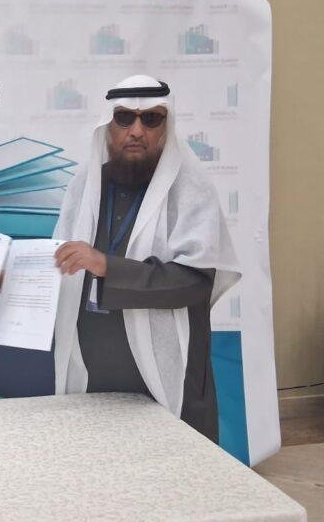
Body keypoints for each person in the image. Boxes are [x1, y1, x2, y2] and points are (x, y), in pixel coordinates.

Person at [51, 74, 240, 441]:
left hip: (163, 367)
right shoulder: (85, 185)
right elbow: (60, 262)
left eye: (151, 119)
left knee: (173, 463)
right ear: (108, 125)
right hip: (92, 365)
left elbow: (194, 283)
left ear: (166, 127)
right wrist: (14, 280)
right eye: (124, 118)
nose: (136, 131)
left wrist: (106, 266)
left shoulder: (190, 187)